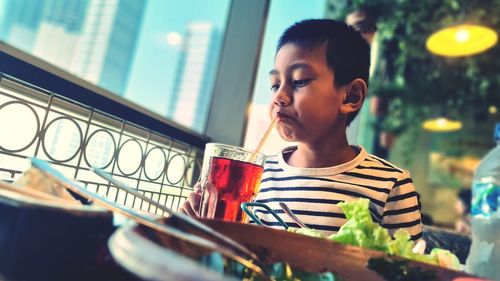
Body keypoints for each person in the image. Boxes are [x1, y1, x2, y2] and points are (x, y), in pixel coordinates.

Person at [180, 19, 423, 241]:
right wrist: (196, 225)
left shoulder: (391, 185)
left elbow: (410, 271)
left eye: (299, 81)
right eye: (275, 85)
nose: (280, 97)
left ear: (351, 95)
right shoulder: (257, 176)